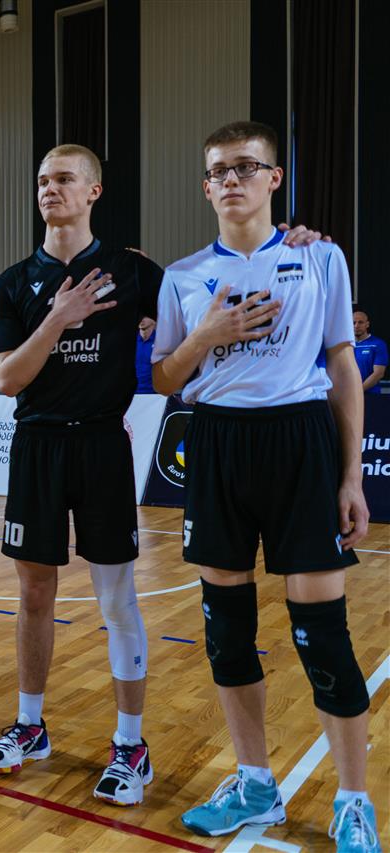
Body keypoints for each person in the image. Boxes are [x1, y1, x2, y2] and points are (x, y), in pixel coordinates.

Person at [151, 121, 378, 851]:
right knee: (227, 633)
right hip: (217, 443)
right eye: (218, 170)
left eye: (246, 167)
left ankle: (353, 799)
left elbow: (341, 363)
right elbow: (165, 377)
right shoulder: (184, 275)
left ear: (274, 178)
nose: (231, 180)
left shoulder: (319, 256)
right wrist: (207, 335)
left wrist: (351, 475)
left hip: (300, 442)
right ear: (206, 186)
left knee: (324, 636)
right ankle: (254, 785)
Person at [0, 144, 162, 806]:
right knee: (33, 594)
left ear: (93, 191)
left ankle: (131, 743)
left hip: (103, 445)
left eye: (63, 179)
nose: (49, 189)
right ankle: (31, 726)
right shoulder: (13, 283)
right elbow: (8, 378)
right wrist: (59, 317)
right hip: (37, 445)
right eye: (42, 181)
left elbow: (189, 313)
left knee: (116, 597)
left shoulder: (132, 270)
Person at [352, 307, 386, 395]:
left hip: (371, 395)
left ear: (367, 324)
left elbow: (378, 373)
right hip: (347, 395)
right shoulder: (344, 345)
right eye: (353, 323)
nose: (356, 326)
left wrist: (358, 391)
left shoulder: (377, 344)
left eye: (360, 322)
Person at [136, 317, 156, 394]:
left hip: (155, 395)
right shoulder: (129, 341)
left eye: (145, 316)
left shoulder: (161, 341)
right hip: (131, 395)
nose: (142, 319)